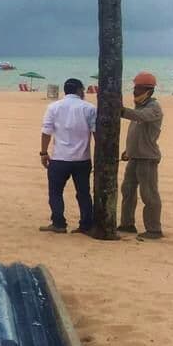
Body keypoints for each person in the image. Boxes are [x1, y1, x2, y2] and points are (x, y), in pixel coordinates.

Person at [39, 78, 97, 235]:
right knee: (83, 193)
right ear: (79, 90)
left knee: (55, 192)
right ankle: (86, 225)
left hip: (59, 158)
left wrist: (44, 152)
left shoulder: (53, 107)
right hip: (82, 158)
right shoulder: (89, 108)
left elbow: (46, 132)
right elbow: (96, 133)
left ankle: (58, 223)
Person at [120, 71, 165, 240]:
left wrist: (122, 110)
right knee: (128, 190)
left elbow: (141, 117)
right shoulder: (139, 107)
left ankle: (154, 229)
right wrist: (128, 151)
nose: (134, 92)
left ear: (149, 91)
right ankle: (127, 224)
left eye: (138, 89)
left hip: (147, 158)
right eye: (134, 88)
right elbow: (135, 133)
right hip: (135, 156)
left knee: (149, 194)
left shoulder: (153, 108)